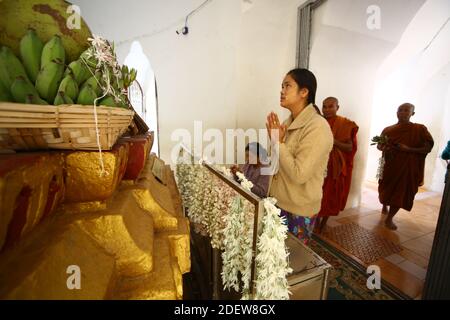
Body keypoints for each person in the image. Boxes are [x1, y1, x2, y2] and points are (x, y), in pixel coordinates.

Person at [266, 68, 333, 244]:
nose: (282, 91)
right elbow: (274, 165)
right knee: (271, 260)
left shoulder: (317, 127)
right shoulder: (288, 123)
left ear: (304, 92)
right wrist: (274, 143)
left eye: (287, 86)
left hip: (297, 209)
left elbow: (299, 174)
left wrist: (277, 143)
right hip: (277, 202)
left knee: (291, 262)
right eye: (282, 86)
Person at [377, 103, 434, 230]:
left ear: (412, 113)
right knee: (384, 187)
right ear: (396, 112)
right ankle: (384, 204)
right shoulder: (387, 129)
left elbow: (427, 147)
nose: (402, 113)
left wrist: (409, 149)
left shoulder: (419, 129)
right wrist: (383, 147)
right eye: (400, 110)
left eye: (406, 111)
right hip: (389, 165)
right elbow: (379, 145)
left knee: (401, 192)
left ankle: (389, 218)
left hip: (407, 167)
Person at [316, 97, 359, 232]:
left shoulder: (345, 124)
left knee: (330, 196)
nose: (327, 109)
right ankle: (315, 220)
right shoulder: (317, 122)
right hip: (317, 164)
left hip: (335, 167)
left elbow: (350, 148)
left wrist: (333, 141)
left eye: (330, 106)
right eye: (324, 106)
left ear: (337, 107)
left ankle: (323, 223)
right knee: (316, 194)